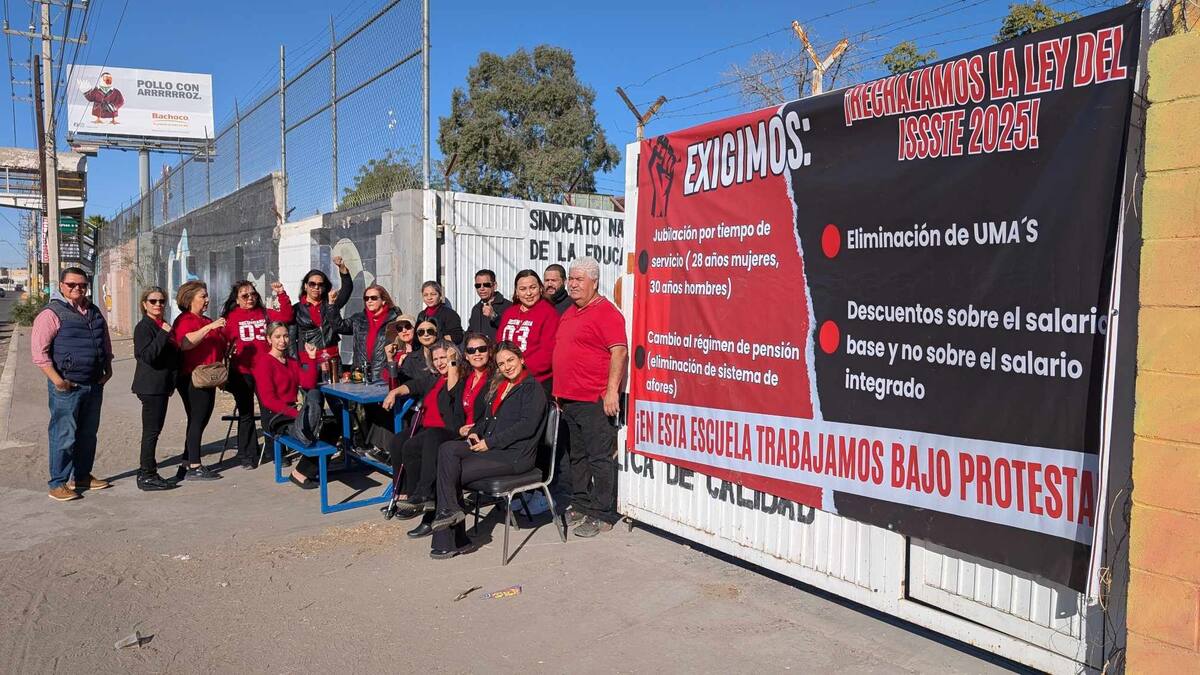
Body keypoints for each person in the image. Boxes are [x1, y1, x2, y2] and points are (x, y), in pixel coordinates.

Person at [429, 341, 548, 559]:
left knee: (449, 473)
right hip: (492, 449)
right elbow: (487, 419)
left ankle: (450, 540)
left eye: (510, 360)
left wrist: (489, 443)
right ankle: (452, 514)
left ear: (521, 359)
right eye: (501, 363)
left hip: (515, 456)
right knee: (447, 450)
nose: (507, 366)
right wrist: (476, 431)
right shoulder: (500, 385)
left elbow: (526, 426)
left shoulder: (532, 388)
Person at [552, 257, 628, 537]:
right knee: (577, 457)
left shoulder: (606, 312)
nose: (572, 284)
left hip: (594, 399)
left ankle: (602, 512)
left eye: (579, 279)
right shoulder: (570, 311)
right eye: (571, 278)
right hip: (569, 398)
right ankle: (581, 503)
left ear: (594, 282)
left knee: (599, 458)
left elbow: (619, 352)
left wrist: (611, 392)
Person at [32, 267, 113, 501]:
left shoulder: (94, 311)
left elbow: (104, 342)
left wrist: (109, 369)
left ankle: (82, 476)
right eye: (71, 285)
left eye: (82, 285)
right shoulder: (52, 313)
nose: (77, 288)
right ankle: (58, 483)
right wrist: (58, 381)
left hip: (93, 383)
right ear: (61, 286)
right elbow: (39, 352)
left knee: (88, 434)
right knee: (64, 435)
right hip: (68, 386)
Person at [382, 341, 469, 538]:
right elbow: (414, 385)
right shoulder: (434, 378)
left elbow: (451, 393)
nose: (439, 363)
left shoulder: (459, 377)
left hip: (448, 431)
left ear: (453, 357)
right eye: (436, 358)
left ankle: (426, 502)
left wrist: (453, 365)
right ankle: (407, 495)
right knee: (399, 441)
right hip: (429, 429)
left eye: (444, 358)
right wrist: (395, 391)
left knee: (420, 443)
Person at [254, 322, 339, 488]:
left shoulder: (291, 361)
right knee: (314, 399)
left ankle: (302, 471)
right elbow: (268, 400)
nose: (283, 340)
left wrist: (313, 358)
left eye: (285, 336)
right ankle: (309, 430)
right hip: (277, 418)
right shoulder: (264, 363)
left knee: (333, 424)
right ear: (269, 339)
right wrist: (297, 414)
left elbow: (307, 382)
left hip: (295, 414)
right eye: (277, 337)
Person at [221, 280, 293, 468]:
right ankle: (248, 455)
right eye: (245, 296)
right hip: (242, 372)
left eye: (253, 294)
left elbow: (286, 316)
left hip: (265, 371)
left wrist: (281, 294)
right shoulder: (231, 318)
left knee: (271, 411)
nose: (250, 298)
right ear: (237, 299)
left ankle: (276, 451)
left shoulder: (265, 314)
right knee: (246, 414)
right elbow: (221, 343)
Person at [170, 280, 228, 481]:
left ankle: (187, 463)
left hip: (209, 376)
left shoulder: (206, 320)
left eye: (206, 295)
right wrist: (210, 326)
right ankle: (195, 465)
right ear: (189, 299)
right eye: (202, 296)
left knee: (200, 420)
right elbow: (185, 343)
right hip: (192, 377)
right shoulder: (185, 320)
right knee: (197, 419)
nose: (207, 300)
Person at [131, 286, 180, 491]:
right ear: (144, 305)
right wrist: (163, 334)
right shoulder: (145, 327)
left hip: (161, 386)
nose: (158, 304)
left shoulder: (161, 325)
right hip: (150, 387)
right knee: (151, 432)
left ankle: (148, 472)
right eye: (153, 301)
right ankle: (146, 474)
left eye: (161, 301)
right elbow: (147, 356)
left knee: (154, 430)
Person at [497, 269, 560, 393]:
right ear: (516, 291)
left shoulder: (549, 313)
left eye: (533, 287)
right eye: (523, 289)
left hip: (536, 382)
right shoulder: (510, 312)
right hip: (507, 378)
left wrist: (518, 370)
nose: (528, 293)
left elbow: (547, 353)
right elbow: (499, 342)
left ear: (540, 288)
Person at [292, 256, 352, 380]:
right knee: (313, 399)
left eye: (320, 284)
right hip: (309, 362)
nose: (316, 287)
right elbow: (292, 340)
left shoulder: (330, 304)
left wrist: (342, 268)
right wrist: (295, 366)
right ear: (305, 286)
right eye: (312, 284)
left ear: (324, 287)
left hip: (332, 360)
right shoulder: (296, 309)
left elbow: (347, 290)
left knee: (337, 398)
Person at [339, 283, 402, 382]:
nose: (369, 301)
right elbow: (339, 326)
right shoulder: (358, 319)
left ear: (383, 300)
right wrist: (331, 305)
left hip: (383, 377)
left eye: (373, 298)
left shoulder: (395, 319)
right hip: (360, 376)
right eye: (366, 298)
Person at [466, 269, 512, 340]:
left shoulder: (508, 306)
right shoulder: (476, 308)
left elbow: (511, 330)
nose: (482, 288)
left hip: (498, 350)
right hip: (479, 350)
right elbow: (470, 332)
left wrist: (494, 316)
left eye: (486, 285)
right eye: (478, 285)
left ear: (495, 285)